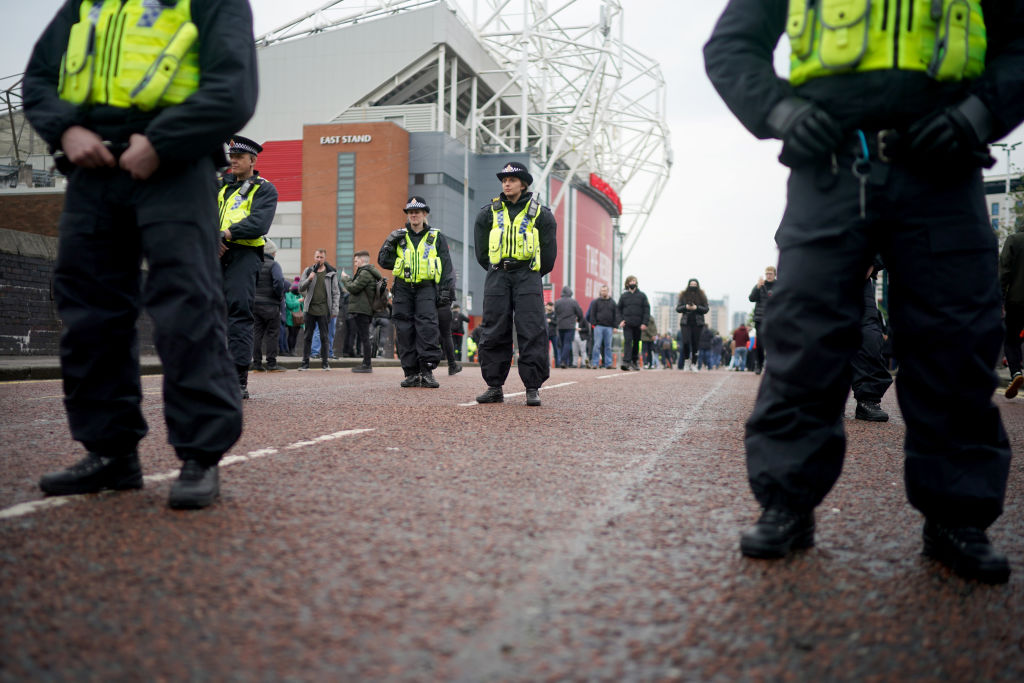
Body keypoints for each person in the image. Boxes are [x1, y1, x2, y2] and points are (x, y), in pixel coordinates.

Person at [705, 0, 1024, 583]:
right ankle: (787, 503)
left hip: (943, 164)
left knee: (957, 342)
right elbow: (730, 47)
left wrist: (975, 116)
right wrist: (781, 111)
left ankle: (958, 517)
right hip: (829, 163)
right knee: (804, 339)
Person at [25, 0, 258, 509]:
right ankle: (111, 453)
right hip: (93, 170)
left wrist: (162, 140)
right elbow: (40, 78)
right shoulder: (87, 5)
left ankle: (200, 455)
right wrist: (66, 128)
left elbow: (233, 88)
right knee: (89, 313)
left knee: (186, 307)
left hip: (173, 167)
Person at [473, 162, 557, 406]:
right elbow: (481, 252)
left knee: (532, 329)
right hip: (498, 275)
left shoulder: (541, 214)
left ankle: (532, 387)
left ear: (524, 183)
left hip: (528, 276)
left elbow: (549, 254)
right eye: (504, 180)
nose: (506, 183)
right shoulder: (488, 213)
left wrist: (532, 273)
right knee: (493, 329)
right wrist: (496, 267)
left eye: (512, 179)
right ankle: (494, 386)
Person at [217, 134, 278, 399]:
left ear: (252, 160)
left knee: (239, 313)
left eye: (239, 157)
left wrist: (225, 234)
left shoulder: (264, 188)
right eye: (232, 157)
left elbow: (259, 224)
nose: (234, 162)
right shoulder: (221, 186)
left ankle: (238, 378)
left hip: (243, 255)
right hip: (214, 253)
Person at [378, 196, 455, 388]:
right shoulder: (399, 236)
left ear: (424, 214)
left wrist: (446, 291)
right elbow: (383, 261)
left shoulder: (436, 236)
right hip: (403, 288)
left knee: (427, 328)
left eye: (417, 212)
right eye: (410, 212)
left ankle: (427, 371)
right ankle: (411, 372)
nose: (413, 215)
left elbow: (446, 266)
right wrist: (388, 243)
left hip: (426, 287)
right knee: (404, 329)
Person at [851, 266, 893, 421]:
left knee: (868, 335)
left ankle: (868, 399)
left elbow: (887, 241)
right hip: (817, 267)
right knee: (818, 332)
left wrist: (872, 262)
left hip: (857, 272)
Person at [340, 250, 384, 373]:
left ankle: (367, 365)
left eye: (356, 260)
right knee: (364, 337)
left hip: (362, 310)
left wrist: (345, 279)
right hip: (365, 309)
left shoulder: (365, 273)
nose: (355, 263)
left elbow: (353, 288)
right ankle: (366, 363)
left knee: (364, 338)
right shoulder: (367, 272)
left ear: (362, 260)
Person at [299, 249, 341, 371]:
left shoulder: (331, 273)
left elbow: (336, 293)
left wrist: (334, 310)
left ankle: (325, 363)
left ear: (325, 258)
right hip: (309, 310)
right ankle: (305, 364)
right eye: (317, 257)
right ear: (314, 257)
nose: (319, 259)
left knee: (324, 337)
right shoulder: (308, 271)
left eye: (321, 257)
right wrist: (309, 279)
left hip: (324, 310)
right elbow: (301, 288)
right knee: (307, 337)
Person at [251, 239, 286, 374]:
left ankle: (257, 364)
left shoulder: (255, 264)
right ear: (272, 253)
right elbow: (278, 282)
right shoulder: (274, 265)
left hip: (255, 304)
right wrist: (278, 296)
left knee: (256, 334)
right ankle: (271, 364)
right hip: (271, 305)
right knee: (272, 334)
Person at [1000, 222, 1024, 398]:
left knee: (1011, 340)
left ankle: (1016, 372)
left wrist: (999, 299)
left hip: (1017, 300)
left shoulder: (1014, 240)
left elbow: (1004, 272)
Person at [616, 275, 650, 372]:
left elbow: (646, 310)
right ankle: (626, 362)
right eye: (630, 281)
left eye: (634, 281)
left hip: (638, 324)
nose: (632, 283)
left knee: (636, 343)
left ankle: (634, 361)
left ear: (636, 283)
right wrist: (620, 321)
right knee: (627, 342)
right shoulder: (623, 296)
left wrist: (644, 323)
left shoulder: (642, 296)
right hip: (627, 324)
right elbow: (618, 310)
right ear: (627, 284)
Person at [676, 279, 710, 372]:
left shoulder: (702, 296)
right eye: (691, 284)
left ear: (698, 285)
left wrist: (696, 308)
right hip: (685, 322)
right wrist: (686, 307)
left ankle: (694, 363)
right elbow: (678, 308)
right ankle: (686, 362)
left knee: (695, 344)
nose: (693, 286)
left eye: (695, 284)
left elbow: (706, 309)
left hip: (697, 323)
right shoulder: (683, 295)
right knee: (686, 342)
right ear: (688, 285)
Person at [748, 267, 776, 375]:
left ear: (774, 274)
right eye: (767, 273)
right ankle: (758, 365)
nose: (768, 275)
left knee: (772, 343)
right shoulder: (760, 285)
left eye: (770, 273)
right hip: (760, 318)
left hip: (773, 319)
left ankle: (771, 365)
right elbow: (751, 298)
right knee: (759, 343)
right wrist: (757, 287)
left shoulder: (778, 285)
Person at [553, 285, 585, 369]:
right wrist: (579, 319)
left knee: (562, 344)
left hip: (560, 325)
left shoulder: (557, 302)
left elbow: (555, 314)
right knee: (567, 343)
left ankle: (563, 361)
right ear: (570, 292)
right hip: (570, 326)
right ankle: (563, 361)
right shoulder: (573, 302)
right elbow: (580, 313)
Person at [587, 285, 618, 369]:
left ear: (608, 291)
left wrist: (615, 326)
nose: (604, 292)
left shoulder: (613, 302)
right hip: (598, 326)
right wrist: (594, 324)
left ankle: (608, 364)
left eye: (605, 290)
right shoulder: (596, 302)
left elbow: (616, 315)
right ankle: (595, 363)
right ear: (600, 292)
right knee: (597, 345)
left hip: (609, 327)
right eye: (602, 291)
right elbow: (592, 314)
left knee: (608, 346)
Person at [436, 283, 463, 375]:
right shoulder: (447, 270)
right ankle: (452, 365)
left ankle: (422, 367)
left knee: (424, 332)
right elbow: (451, 286)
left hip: (427, 302)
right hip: (443, 303)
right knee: (446, 335)